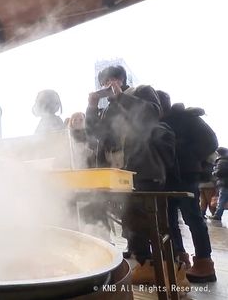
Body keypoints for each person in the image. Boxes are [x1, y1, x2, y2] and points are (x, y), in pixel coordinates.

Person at [86, 66, 184, 285]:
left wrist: (120, 96)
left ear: (120, 79)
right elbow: (95, 135)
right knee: (131, 222)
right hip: (119, 173)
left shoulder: (141, 91)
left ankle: (173, 268)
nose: (106, 86)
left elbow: (151, 114)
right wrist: (92, 107)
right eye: (103, 83)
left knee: (155, 223)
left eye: (110, 80)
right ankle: (145, 265)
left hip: (145, 169)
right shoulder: (109, 108)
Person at [157, 90, 218, 283]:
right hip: (166, 178)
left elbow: (210, 141)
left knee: (193, 217)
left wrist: (185, 156)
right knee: (169, 220)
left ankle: (204, 261)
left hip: (185, 176)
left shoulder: (186, 118)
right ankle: (179, 256)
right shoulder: (156, 124)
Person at [210, 147, 228, 220]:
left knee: (222, 200)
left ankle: (217, 215)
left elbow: (219, 172)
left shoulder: (221, 161)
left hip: (224, 183)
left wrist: (213, 172)